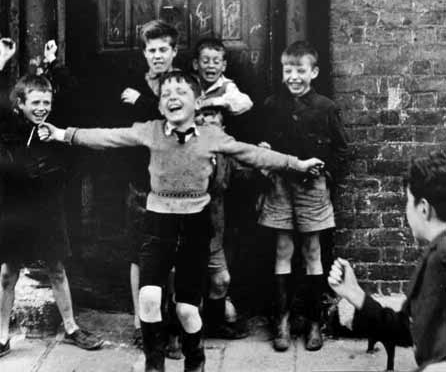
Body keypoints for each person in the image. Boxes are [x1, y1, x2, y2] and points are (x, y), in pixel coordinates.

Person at [39, 69, 323, 372]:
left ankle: (195, 361)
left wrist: (297, 164)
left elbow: (252, 154)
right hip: (159, 223)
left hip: (195, 227)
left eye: (181, 94)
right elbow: (108, 137)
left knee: (187, 309)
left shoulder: (211, 136)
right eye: (166, 96)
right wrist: (63, 134)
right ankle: (154, 364)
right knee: (148, 297)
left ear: (198, 102)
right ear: (160, 106)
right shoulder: (150, 130)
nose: (173, 99)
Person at [0, 40, 103, 359]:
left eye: (46, 102)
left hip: (47, 209)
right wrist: (2, 61)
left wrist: (53, 64)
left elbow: (72, 165)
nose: (42, 108)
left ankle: (72, 327)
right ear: (19, 103)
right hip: (15, 209)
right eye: (35, 103)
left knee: (57, 267)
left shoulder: (52, 132)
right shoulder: (8, 127)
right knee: (8, 273)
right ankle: (1, 334)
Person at [257, 41, 349, 352]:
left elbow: (342, 150)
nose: (294, 77)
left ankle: (313, 322)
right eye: (288, 70)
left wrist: (326, 172)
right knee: (283, 249)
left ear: (314, 71)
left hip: (313, 188)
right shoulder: (272, 105)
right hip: (281, 185)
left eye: (300, 70)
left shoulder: (325, 107)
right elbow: (263, 145)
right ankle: (281, 321)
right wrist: (265, 153)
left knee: (312, 252)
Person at [328, 150, 446, 371]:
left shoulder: (440, 257)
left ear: (423, 208)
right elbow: (408, 330)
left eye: (407, 202)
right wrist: (355, 293)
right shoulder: (436, 253)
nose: (405, 211)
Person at [120, 20, 178, 348]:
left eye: (162, 50)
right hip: (140, 179)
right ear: (144, 53)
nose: (157, 56)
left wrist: (143, 103)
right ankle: (140, 320)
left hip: (173, 180)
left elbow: (173, 118)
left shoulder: (182, 83)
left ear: (173, 52)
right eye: (151, 50)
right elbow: (127, 129)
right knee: (138, 252)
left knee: (171, 253)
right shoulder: (130, 82)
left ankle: (167, 320)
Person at [192, 36, 252, 339]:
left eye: (217, 61)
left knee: (218, 235)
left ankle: (215, 314)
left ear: (224, 65)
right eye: (206, 60)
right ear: (196, 64)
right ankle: (185, 322)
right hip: (190, 169)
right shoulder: (187, 86)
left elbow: (243, 104)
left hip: (218, 173)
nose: (211, 66)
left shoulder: (227, 87)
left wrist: (216, 102)